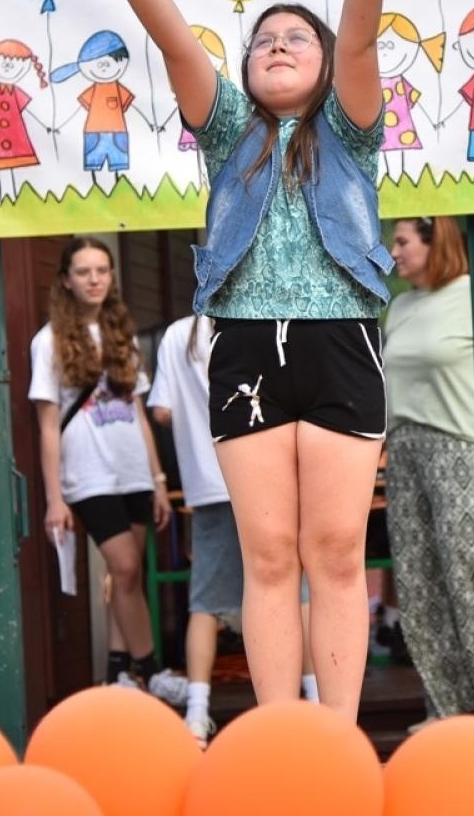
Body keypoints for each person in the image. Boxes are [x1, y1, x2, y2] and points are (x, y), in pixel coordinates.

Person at [29, 0, 449, 720]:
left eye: (299, 37)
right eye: (264, 40)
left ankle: (336, 733)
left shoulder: (351, 131)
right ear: (247, 69)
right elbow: (177, 43)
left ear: (326, 67)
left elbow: (361, 37)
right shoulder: (227, 132)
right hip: (247, 351)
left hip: (340, 348)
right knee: (267, 557)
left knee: (333, 553)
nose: (280, 45)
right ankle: (282, 735)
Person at [146, 313, 323, 747]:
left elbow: (163, 411)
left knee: (206, 600)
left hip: (207, 482)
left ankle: (196, 714)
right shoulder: (259, 322)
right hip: (267, 476)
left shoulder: (175, 335)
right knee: (293, 589)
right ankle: (316, 704)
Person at [30, 236, 187, 705]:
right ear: (66, 280)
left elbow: (138, 412)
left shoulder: (122, 334)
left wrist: (158, 481)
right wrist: (55, 498)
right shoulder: (49, 341)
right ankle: (152, 669)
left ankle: (116, 672)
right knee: (124, 566)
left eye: (102, 270)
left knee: (128, 578)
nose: (95, 279)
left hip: (133, 471)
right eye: (84, 272)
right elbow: (47, 426)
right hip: (88, 473)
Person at [382, 216, 474, 725]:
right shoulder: (399, 308)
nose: (394, 251)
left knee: (468, 575)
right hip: (403, 452)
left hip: (458, 449)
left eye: (403, 241)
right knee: (419, 582)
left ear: (435, 239)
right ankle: (448, 708)